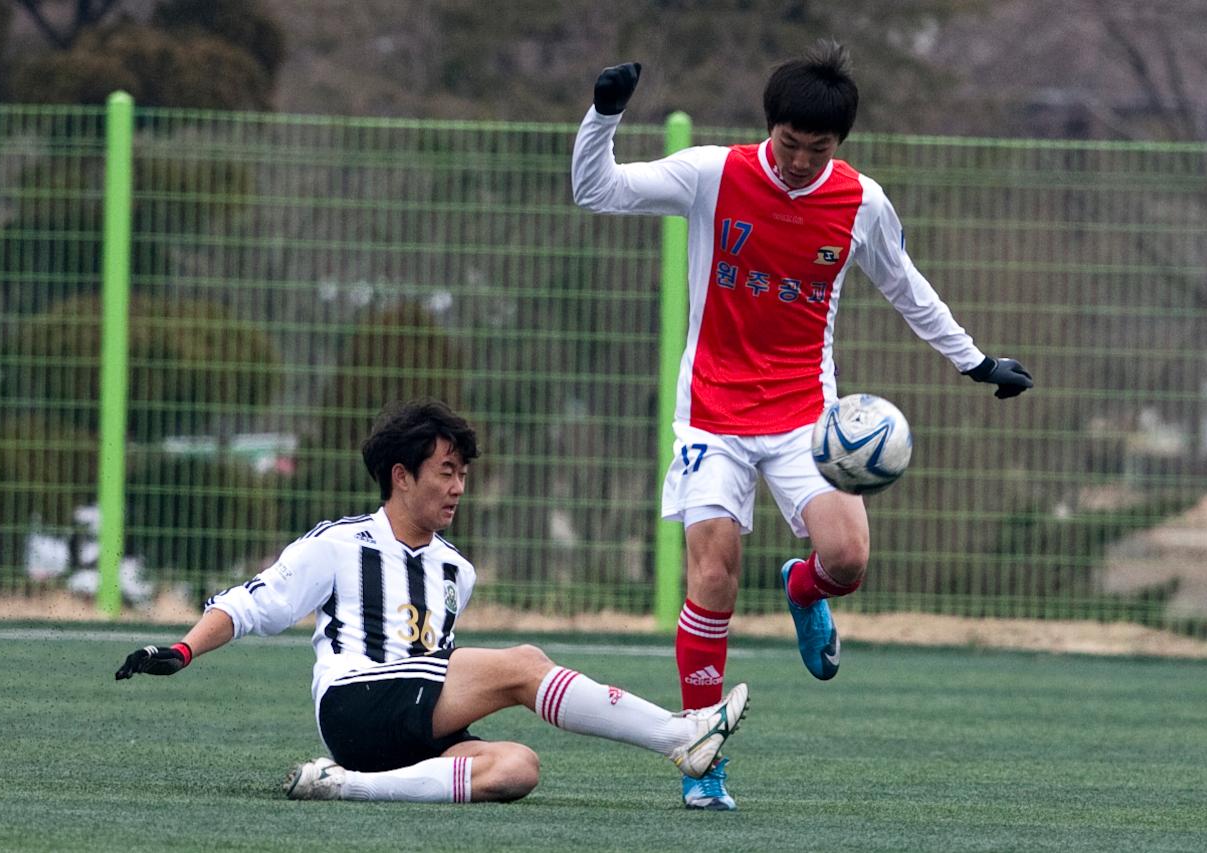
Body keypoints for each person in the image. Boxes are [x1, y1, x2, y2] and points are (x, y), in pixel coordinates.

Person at [572, 42, 1032, 810]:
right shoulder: (713, 173)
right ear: (770, 128)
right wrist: (604, 114)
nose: (797, 161)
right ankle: (703, 754)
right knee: (712, 573)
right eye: (788, 144)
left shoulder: (861, 204)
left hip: (804, 417)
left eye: (816, 150)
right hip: (712, 412)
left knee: (848, 560)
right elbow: (596, 188)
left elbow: (908, 288)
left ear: (839, 145)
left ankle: (802, 586)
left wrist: (976, 362)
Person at [115, 399, 748, 804]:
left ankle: (348, 787)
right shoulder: (340, 544)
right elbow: (253, 603)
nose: (457, 487)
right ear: (401, 476)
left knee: (517, 769)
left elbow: (441, 664)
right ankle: (677, 736)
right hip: (357, 704)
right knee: (526, 663)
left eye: (463, 474)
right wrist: (183, 648)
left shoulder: (456, 570)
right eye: (445, 471)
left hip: (405, 729)